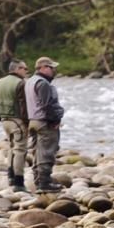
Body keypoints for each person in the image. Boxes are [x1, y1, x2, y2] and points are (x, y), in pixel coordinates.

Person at [24, 56, 65, 192]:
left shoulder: (30, 81)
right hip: (44, 122)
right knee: (47, 152)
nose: (54, 70)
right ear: (43, 68)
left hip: (33, 121)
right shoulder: (43, 83)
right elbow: (46, 104)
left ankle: (38, 181)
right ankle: (45, 183)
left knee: (37, 152)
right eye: (51, 67)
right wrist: (54, 120)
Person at [0, 59, 29, 192]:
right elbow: (24, 105)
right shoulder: (21, 83)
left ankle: (10, 177)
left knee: (12, 147)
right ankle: (19, 182)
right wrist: (28, 122)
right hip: (17, 121)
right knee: (20, 150)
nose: (26, 71)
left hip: (4, 120)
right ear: (17, 69)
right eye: (25, 69)